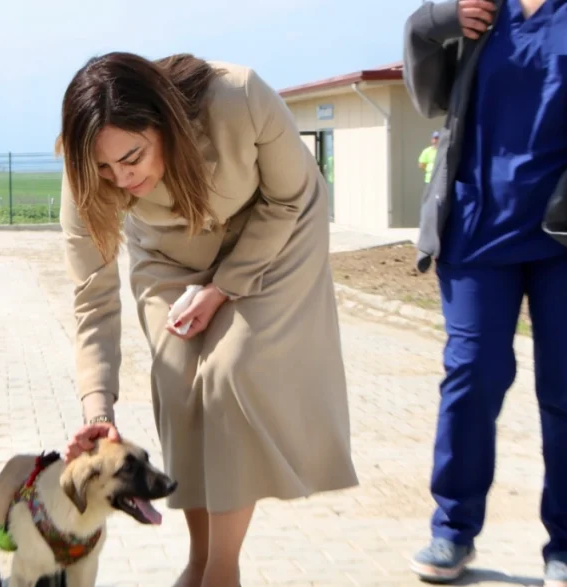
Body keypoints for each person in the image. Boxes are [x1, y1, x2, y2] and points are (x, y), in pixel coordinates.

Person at [57, 52, 359, 587]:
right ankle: (198, 560)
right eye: (107, 169)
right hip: (168, 253)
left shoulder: (238, 97)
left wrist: (223, 289)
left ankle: (222, 572)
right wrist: (96, 407)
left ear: (165, 121)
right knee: (177, 379)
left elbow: (291, 199)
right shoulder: (86, 173)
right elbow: (92, 295)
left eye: (133, 157)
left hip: (275, 229)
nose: (123, 180)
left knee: (228, 371)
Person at [403, 0, 567, 585]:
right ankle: (452, 531)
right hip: (477, 230)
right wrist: (433, 21)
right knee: (471, 376)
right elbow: (429, 94)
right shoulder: (476, 9)